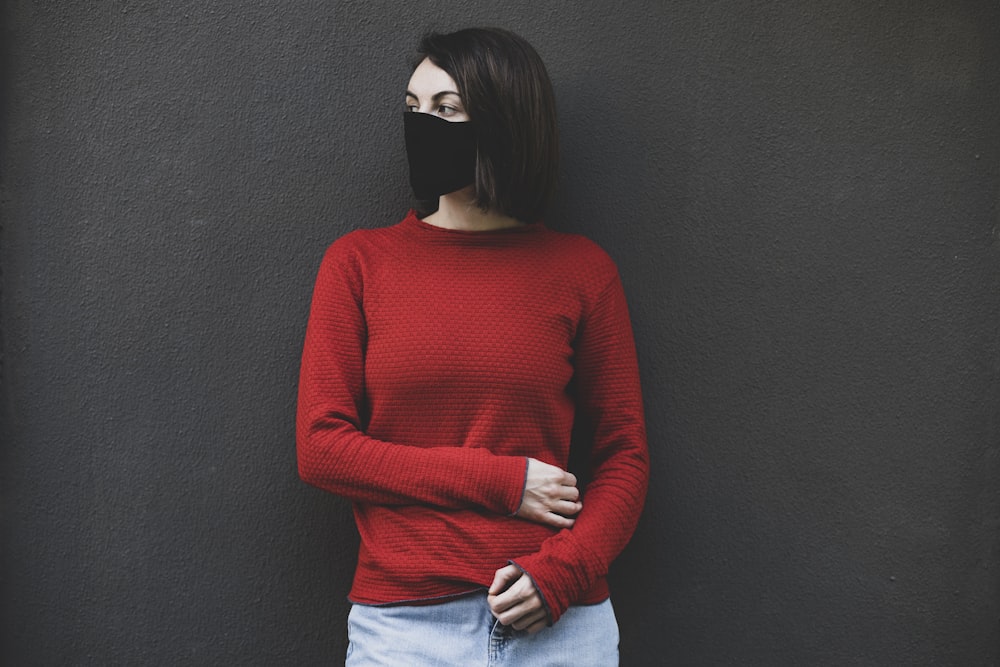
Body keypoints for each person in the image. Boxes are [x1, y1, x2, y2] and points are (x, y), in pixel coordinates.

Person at [296, 27, 648, 665]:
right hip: (405, 628)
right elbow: (322, 447)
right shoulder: (359, 263)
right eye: (413, 108)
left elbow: (624, 457)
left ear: (503, 122)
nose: (422, 125)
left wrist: (563, 574)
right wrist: (502, 481)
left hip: (560, 626)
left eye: (446, 109)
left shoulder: (581, 271)